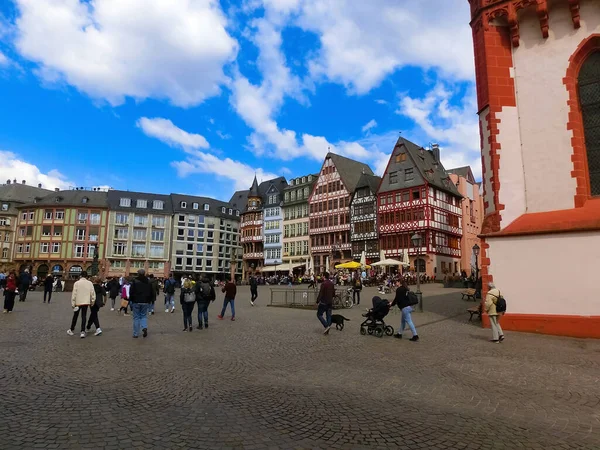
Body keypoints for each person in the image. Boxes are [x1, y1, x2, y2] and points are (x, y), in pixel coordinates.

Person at [67, 271, 96, 338]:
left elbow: (74, 294)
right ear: (86, 276)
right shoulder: (90, 283)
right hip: (86, 302)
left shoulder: (77, 283)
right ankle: (82, 331)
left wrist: (73, 303)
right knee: (84, 316)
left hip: (78, 302)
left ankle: (71, 329)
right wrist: (92, 301)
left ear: (80, 276)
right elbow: (92, 293)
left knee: (75, 316)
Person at [129, 269, 153, 338]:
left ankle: (135, 333)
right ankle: (144, 327)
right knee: (143, 316)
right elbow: (151, 292)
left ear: (138, 274)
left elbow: (131, 291)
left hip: (136, 301)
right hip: (145, 301)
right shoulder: (148, 282)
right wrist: (150, 300)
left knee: (136, 317)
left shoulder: (135, 281)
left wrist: (131, 300)